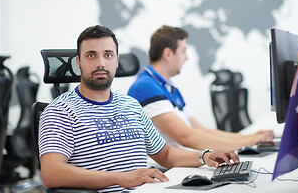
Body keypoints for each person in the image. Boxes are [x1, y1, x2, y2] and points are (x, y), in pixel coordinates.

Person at [38, 25, 239, 193]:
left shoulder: (131, 105)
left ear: (116, 61)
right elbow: (51, 173)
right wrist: (120, 178)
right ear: (78, 62)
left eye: (108, 55)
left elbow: (166, 154)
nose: (101, 63)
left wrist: (204, 156)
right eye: (91, 55)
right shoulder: (60, 110)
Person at [128, 25, 274, 152]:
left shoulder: (168, 86)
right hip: (166, 171)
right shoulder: (145, 87)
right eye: (183, 51)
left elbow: (200, 130)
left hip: (180, 166)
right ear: (168, 54)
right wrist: (248, 142)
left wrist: (251, 137)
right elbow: (185, 137)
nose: (186, 58)